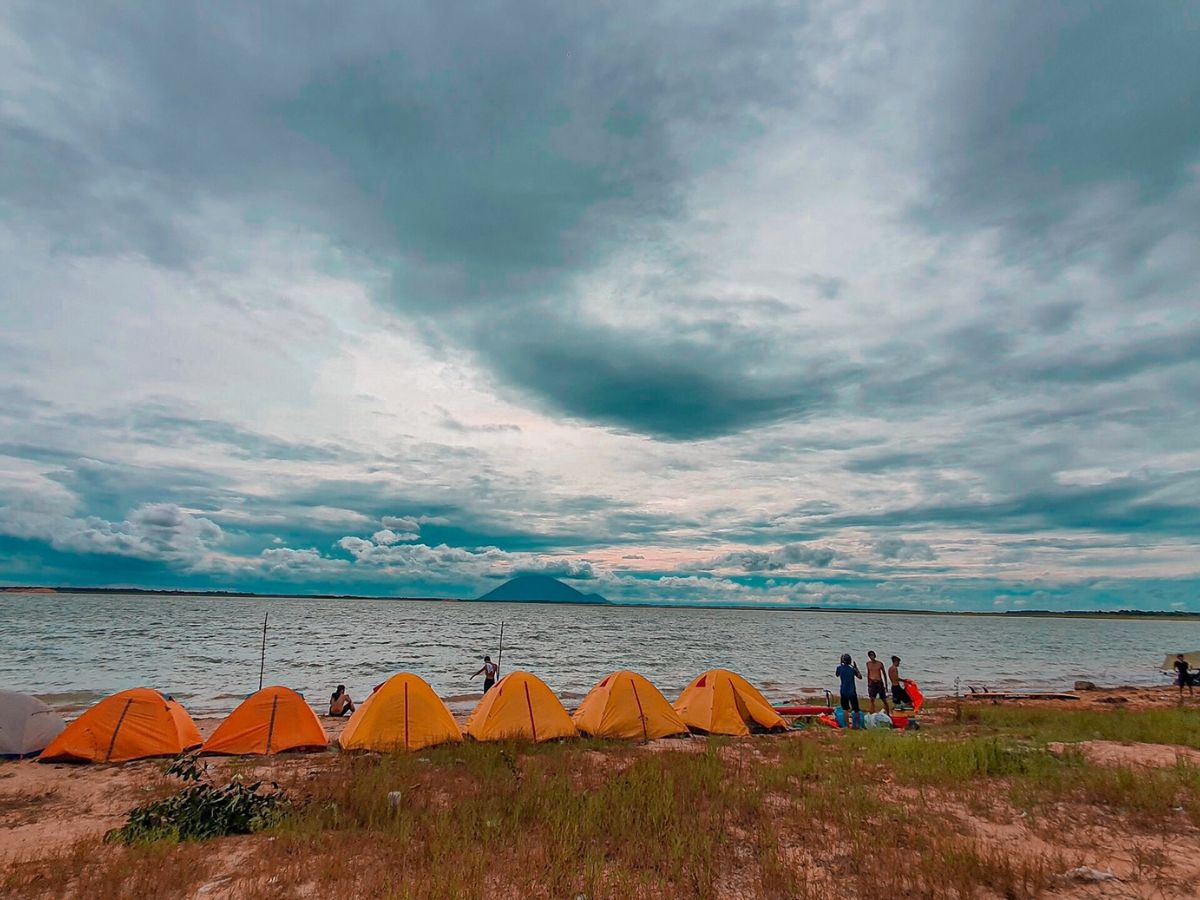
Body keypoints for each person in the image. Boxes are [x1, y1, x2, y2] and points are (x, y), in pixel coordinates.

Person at [835, 653, 862, 724]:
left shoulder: (839, 668)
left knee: (845, 709)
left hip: (843, 691)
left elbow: (837, 675)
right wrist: (856, 668)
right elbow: (860, 677)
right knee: (856, 709)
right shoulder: (852, 669)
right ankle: (857, 725)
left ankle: (847, 725)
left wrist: (840, 663)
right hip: (852, 691)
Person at [865, 650, 891, 714]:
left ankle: (888, 712)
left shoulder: (879, 663)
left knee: (883, 699)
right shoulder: (868, 664)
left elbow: (884, 674)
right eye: (870, 655)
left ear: (875, 655)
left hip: (879, 682)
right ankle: (872, 712)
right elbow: (868, 673)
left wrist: (886, 684)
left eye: (873, 655)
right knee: (872, 699)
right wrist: (868, 683)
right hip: (872, 682)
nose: (872, 657)